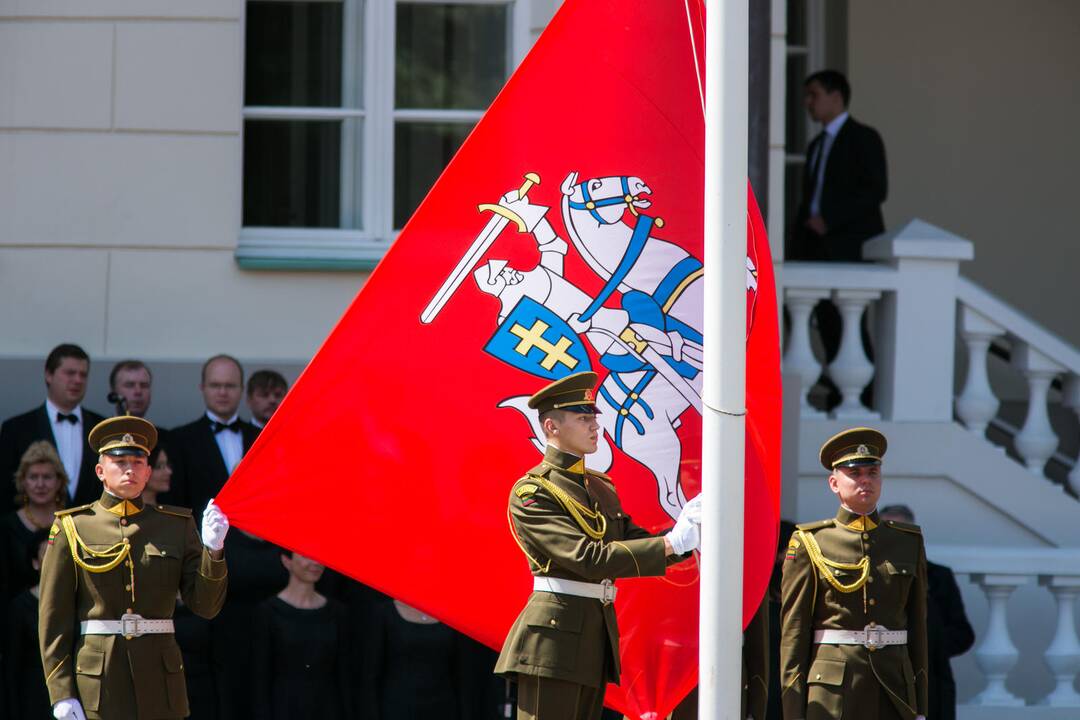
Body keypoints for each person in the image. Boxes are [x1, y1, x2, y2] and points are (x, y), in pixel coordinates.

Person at [494, 371, 703, 720]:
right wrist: (670, 542)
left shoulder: (600, 486)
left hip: (593, 633)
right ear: (551, 427)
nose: (595, 427)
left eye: (593, 417)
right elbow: (587, 558)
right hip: (553, 640)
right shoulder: (533, 491)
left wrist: (686, 535)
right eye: (582, 418)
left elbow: (630, 541)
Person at [37, 415, 230, 720]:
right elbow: (53, 618)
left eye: (138, 462)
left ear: (149, 471)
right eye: (120, 461)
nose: (130, 469)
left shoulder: (176, 525)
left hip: (161, 682)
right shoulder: (73, 526)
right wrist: (61, 693)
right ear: (100, 471)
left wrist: (214, 549)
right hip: (100, 683)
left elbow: (206, 606)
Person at [780, 427, 927, 720]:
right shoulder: (811, 541)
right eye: (855, 473)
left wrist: (920, 705)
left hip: (894, 687)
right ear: (834, 483)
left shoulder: (907, 541)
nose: (865, 481)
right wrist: (794, 712)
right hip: (834, 693)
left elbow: (918, 629)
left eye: (872, 472)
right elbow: (793, 636)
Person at [880, 505, 974, 720]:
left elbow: (963, 634)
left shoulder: (938, 577)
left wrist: (927, 645)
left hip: (929, 682)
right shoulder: (870, 577)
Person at [790, 70, 887, 263]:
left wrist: (829, 220)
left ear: (836, 97)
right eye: (806, 96)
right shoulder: (815, 145)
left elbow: (876, 190)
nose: (807, 102)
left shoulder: (864, 138)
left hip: (850, 246)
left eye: (814, 95)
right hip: (814, 247)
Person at [0, 343, 106, 508]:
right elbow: (6, 490)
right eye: (70, 373)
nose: (78, 380)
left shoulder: (101, 428)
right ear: (49, 375)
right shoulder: (16, 429)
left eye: (83, 375)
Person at [252, 550, 353, 719]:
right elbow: (259, 678)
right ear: (286, 561)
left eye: (319, 555)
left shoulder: (337, 612)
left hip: (328, 709)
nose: (315, 562)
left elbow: (345, 675)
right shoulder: (268, 612)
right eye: (306, 555)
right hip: (283, 708)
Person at [164, 354, 257, 517]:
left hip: (254, 540)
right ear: (203, 388)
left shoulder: (260, 439)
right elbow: (175, 500)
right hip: (198, 539)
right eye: (215, 385)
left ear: (242, 389)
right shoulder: (179, 440)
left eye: (230, 386)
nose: (222, 392)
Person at [363, 597, 485, 720]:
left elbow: (462, 673)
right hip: (398, 708)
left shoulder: (452, 614)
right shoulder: (384, 613)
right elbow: (371, 675)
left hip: (443, 708)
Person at [2, 442, 67, 604]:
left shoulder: (72, 522)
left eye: (47, 477)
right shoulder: (7, 527)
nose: (40, 484)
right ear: (23, 481)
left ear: (59, 481)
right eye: (33, 477)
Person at [5, 529, 52, 719]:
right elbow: (12, 665)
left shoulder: (80, 604)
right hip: (33, 697)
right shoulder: (19, 606)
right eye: (47, 554)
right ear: (35, 562)